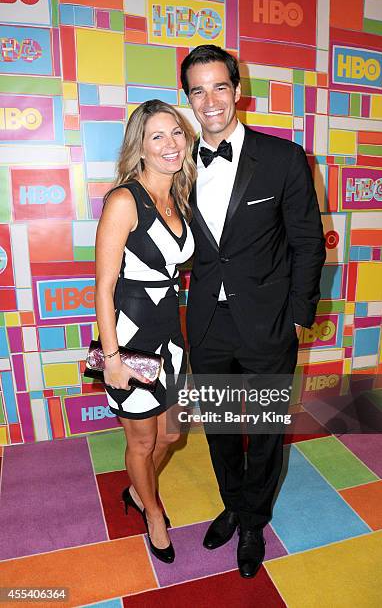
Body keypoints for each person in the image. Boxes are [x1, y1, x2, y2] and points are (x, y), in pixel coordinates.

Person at [180, 45, 326, 578]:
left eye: (220, 86)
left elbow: (309, 243)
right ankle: (235, 503)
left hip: (268, 323)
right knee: (220, 429)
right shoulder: (177, 167)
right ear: (189, 99)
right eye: (198, 90)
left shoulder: (283, 158)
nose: (211, 100)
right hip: (208, 325)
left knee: (264, 430)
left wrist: (297, 315)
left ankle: (252, 522)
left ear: (238, 91)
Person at [94, 100, 196, 564]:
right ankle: (151, 510)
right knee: (141, 440)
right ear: (140, 145)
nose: (170, 144)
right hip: (131, 335)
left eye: (175, 132)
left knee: (172, 434)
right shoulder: (124, 199)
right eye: (157, 136)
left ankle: (139, 488)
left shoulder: (178, 196)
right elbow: (104, 284)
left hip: (170, 336)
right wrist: (112, 357)